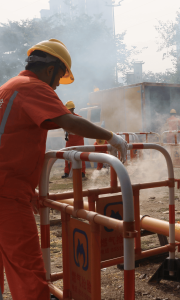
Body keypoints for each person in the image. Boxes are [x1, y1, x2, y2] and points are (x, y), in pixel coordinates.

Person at [0, 39, 128, 300]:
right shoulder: (32, 87)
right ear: (50, 69)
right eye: (59, 76)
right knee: (28, 269)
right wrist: (111, 137)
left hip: (10, 186)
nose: (58, 84)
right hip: (7, 192)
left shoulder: (8, 88)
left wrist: (29, 190)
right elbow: (68, 121)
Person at [62, 100, 86, 179]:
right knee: (67, 156)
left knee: (80, 156)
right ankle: (67, 173)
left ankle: (82, 173)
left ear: (72, 109)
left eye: (68, 109)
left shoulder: (79, 118)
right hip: (70, 140)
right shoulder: (65, 118)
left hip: (78, 140)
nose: (67, 111)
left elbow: (82, 129)